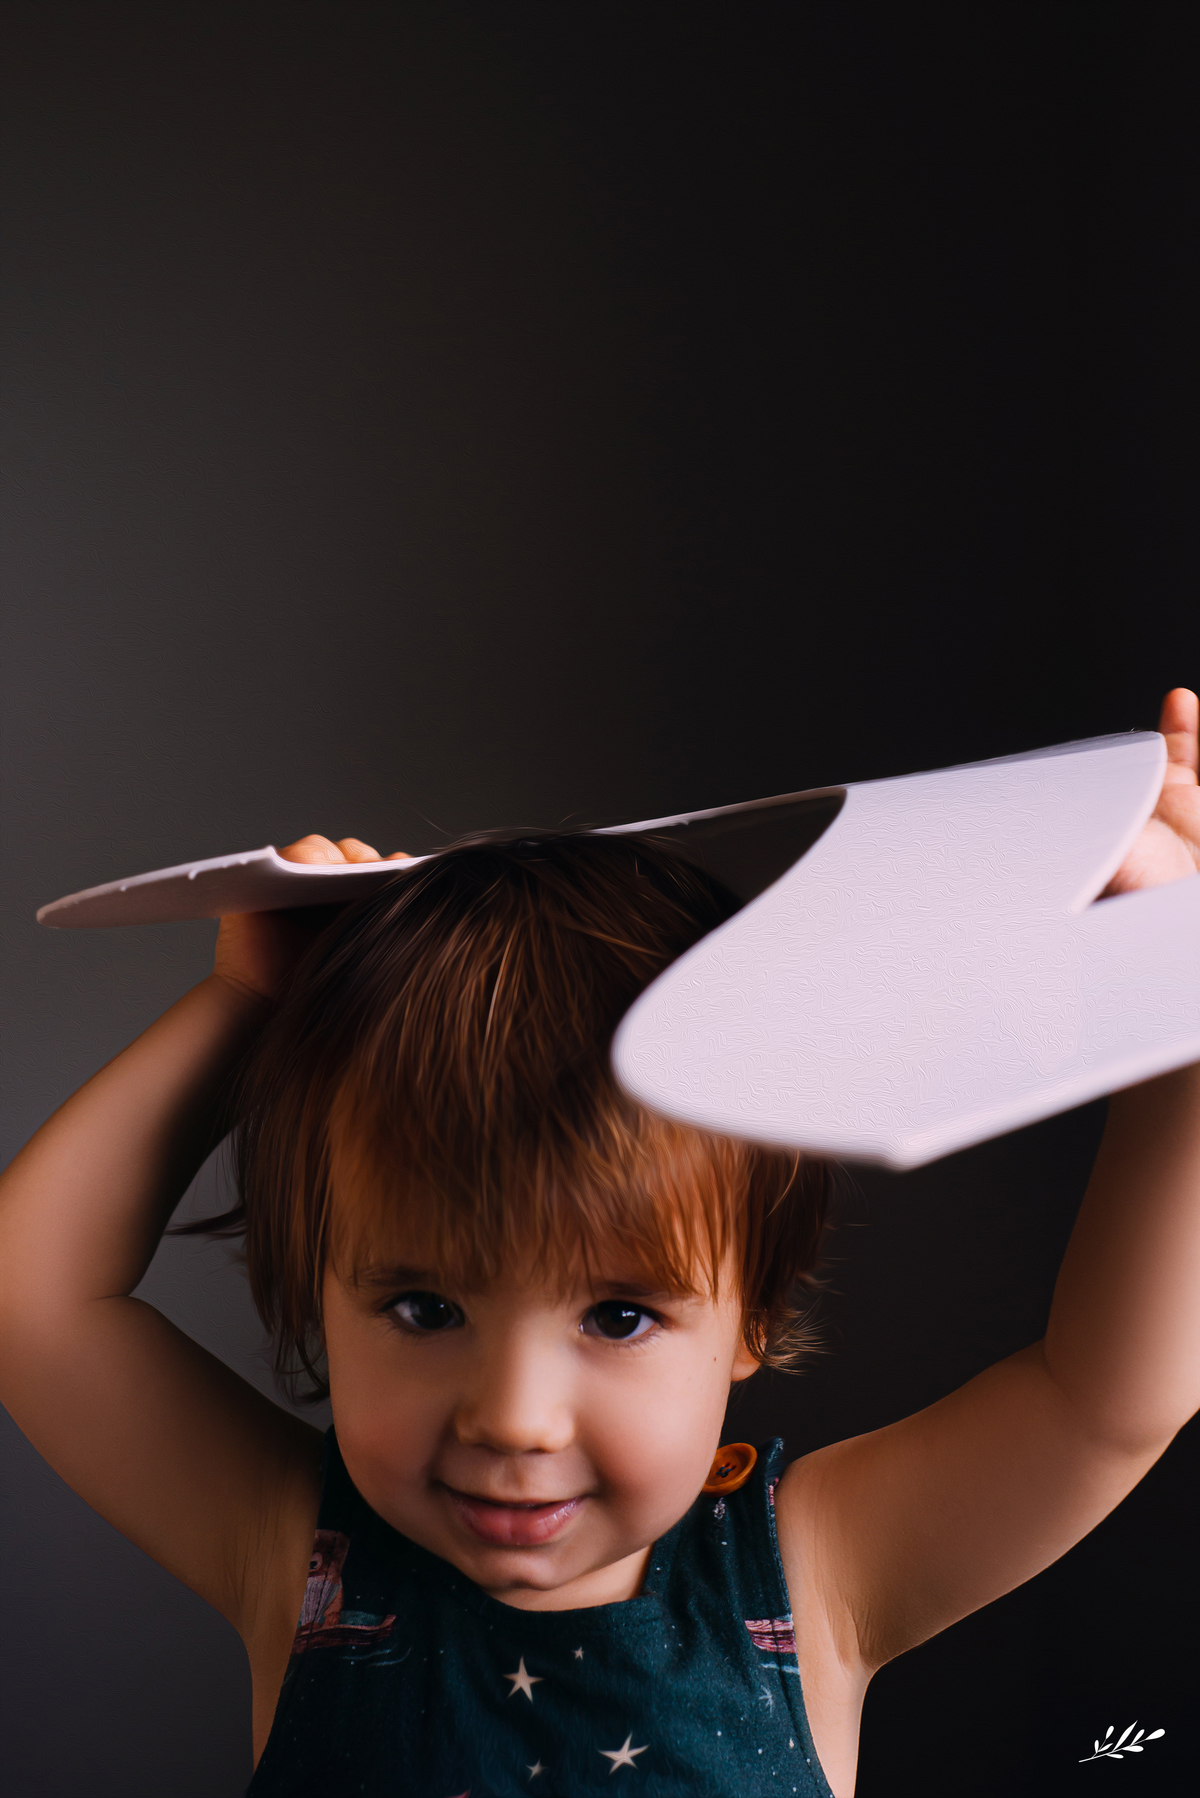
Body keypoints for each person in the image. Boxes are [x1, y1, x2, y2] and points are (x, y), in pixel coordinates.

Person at [2, 689, 1200, 1798]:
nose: (513, 1419)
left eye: (619, 1315)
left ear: (756, 1313)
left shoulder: (814, 1571)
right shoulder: (300, 1558)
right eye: (425, 1308)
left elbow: (1108, 1399)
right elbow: (31, 1300)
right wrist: (250, 1008)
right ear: (320, 1292)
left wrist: (1176, 992)